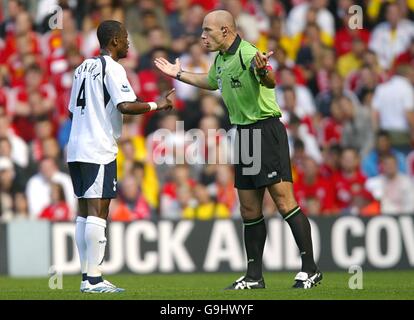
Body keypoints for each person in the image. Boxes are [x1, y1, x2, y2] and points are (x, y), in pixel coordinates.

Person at [155, 10, 321, 290]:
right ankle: (254, 277)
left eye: (207, 31)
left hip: (265, 130)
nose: (202, 36)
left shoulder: (248, 53)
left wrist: (262, 71)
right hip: (243, 134)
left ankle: (310, 269)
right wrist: (179, 74)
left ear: (225, 31)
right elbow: (210, 81)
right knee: (248, 208)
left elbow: (269, 81)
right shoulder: (221, 59)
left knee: (283, 201)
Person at [67, 20, 174, 294]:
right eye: (126, 38)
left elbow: (71, 110)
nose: (129, 43)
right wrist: (157, 104)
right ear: (114, 41)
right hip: (98, 147)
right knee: (99, 211)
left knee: (83, 211)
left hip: (76, 146)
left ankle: (85, 277)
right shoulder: (112, 68)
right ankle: (94, 279)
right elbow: (125, 104)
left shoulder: (82, 67)